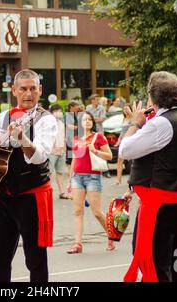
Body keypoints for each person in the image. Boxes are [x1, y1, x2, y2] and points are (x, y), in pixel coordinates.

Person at [0, 69, 57, 282]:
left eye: (33, 88)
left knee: (35, 259)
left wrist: (22, 138)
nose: (28, 93)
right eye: (23, 89)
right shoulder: (4, 116)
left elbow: (40, 156)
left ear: (40, 90)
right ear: (14, 90)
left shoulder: (46, 120)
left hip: (32, 197)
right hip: (5, 196)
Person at [120, 71, 177, 282]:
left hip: (161, 204)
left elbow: (125, 150)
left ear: (152, 97)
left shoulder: (161, 124)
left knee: (158, 262)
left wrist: (134, 123)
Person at [66, 111, 113, 253]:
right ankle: (77, 244)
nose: (87, 122)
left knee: (97, 212)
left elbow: (109, 156)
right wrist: (69, 180)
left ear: (92, 122)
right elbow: (75, 159)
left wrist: (95, 151)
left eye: (89, 120)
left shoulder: (98, 137)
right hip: (77, 178)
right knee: (78, 211)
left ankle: (111, 235)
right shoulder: (77, 138)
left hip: (93, 177)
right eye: (84, 119)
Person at [49, 104, 69, 199]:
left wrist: (64, 148)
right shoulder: (48, 123)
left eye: (60, 111)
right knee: (49, 173)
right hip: (51, 152)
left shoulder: (61, 123)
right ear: (52, 112)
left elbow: (63, 137)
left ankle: (62, 192)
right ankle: (47, 192)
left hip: (61, 151)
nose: (60, 113)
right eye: (58, 111)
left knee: (60, 172)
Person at [115, 104, 132, 185]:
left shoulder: (132, 118)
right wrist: (118, 140)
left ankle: (132, 180)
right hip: (123, 141)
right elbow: (122, 131)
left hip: (131, 140)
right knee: (119, 160)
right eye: (124, 109)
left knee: (132, 162)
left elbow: (135, 122)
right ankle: (118, 180)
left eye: (127, 109)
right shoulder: (124, 119)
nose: (125, 111)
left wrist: (130, 113)